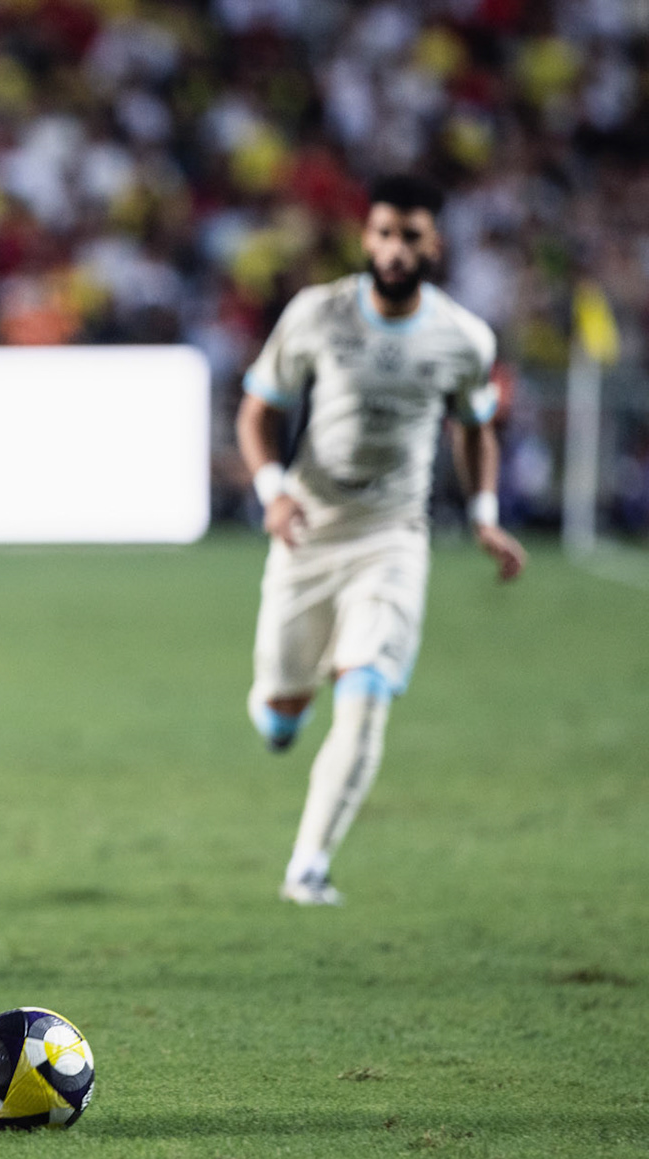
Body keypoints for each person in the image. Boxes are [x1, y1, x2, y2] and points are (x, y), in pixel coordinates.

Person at [237, 173, 527, 907]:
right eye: (384, 235)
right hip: (308, 526)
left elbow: (474, 426)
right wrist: (272, 495)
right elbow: (257, 412)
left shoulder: (463, 337)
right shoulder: (317, 314)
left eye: (411, 238)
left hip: (393, 534)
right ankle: (279, 716)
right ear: (368, 239)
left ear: (435, 245)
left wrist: (485, 514)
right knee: (281, 706)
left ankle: (309, 865)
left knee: (366, 691)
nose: (395, 250)